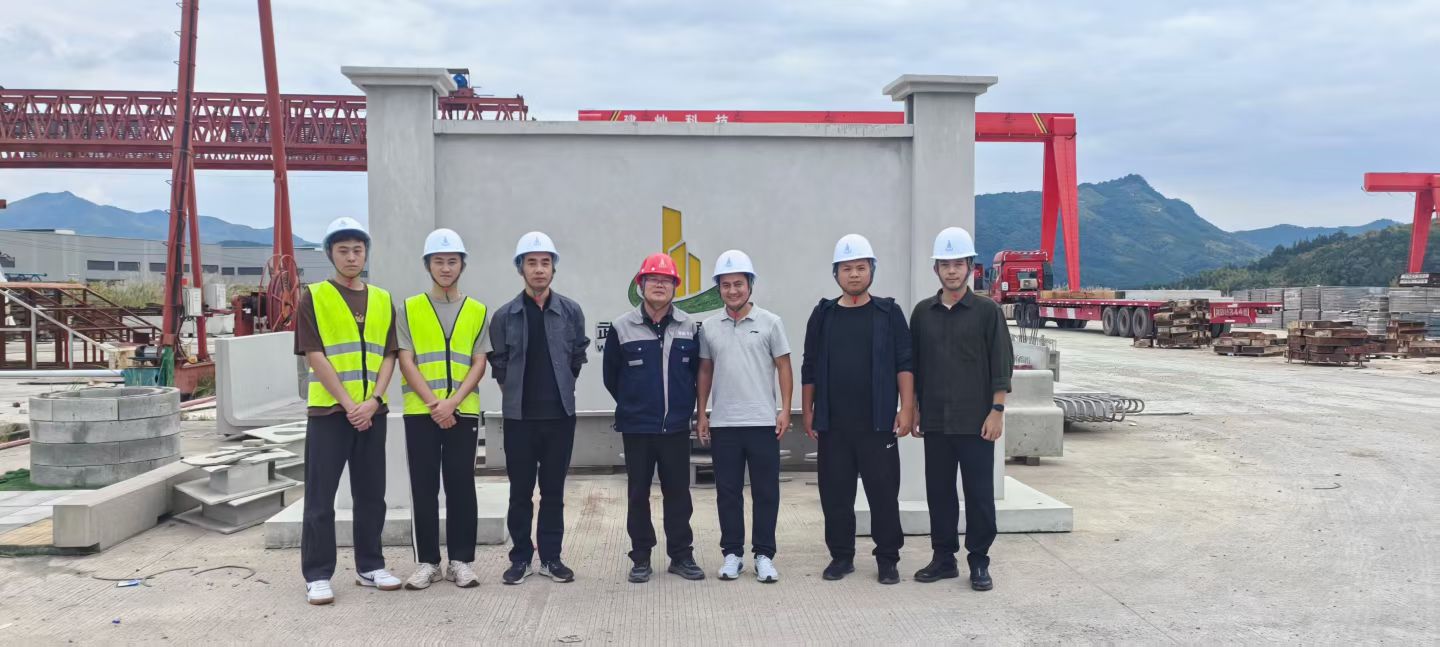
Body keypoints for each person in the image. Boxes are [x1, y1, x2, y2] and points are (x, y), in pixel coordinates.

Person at [295, 217, 401, 605]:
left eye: (358, 250)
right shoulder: (315, 296)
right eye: (343, 250)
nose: (352, 257)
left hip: (372, 412)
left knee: (371, 494)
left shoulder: (382, 299)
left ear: (366, 253)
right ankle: (318, 574)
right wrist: (349, 404)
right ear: (330, 254)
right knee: (320, 497)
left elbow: (389, 354)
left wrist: (374, 401)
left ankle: (370, 566)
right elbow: (314, 354)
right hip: (329, 413)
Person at [801, 233, 915, 585]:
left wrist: (906, 408)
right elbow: (809, 365)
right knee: (835, 494)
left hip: (878, 423)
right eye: (847, 268)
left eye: (860, 267)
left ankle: (888, 559)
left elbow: (904, 363)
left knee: (884, 494)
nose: (854, 274)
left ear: (871, 271)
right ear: (835, 273)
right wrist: (807, 410)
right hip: (834, 423)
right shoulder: (824, 314)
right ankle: (841, 556)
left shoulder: (888, 313)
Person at [909, 226, 1013, 592]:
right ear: (935, 269)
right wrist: (915, 408)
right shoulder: (923, 313)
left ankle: (979, 560)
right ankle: (943, 558)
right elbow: (915, 366)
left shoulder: (987, 312)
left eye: (958, 264)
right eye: (945, 264)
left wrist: (997, 410)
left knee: (979, 495)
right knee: (939, 493)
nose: (951, 271)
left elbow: (1001, 363)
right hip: (936, 420)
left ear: (970, 267)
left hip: (977, 421)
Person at [488, 232, 590, 585]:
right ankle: (520, 558)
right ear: (521, 268)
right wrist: (516, 395)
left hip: (560, 417)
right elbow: (499, 364)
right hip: (519, 419)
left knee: (553, 493)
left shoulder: (570, 311)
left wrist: (562, 387)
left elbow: (577, 355)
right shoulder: (505, 316)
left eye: (545, 262)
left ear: (553, 268)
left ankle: (551, 558)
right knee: (520, 493)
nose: (539, 269)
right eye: (531, 263)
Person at [395, 228, 490, 591]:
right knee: (423, 487)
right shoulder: (409, 309)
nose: (446, 268)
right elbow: (406, 360)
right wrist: (436, 404)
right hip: (421, 412)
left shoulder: (477, 310)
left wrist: (452, 403)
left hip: (463, 412)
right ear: (428, 265)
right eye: (439, 261)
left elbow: (479, 362)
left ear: (462, 265)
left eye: (452, 261)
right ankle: (427, 562)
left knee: (461, 485)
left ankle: (461, 561)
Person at [602, 253, 705, 583]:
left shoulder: (689, 326)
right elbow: (611, 376)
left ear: (675, 287)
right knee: (638, 494)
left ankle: (681, 555)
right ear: (641, 284)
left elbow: (696, 373)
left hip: (675, 427)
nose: (659, 285)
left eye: (666, 281)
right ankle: (641, 556)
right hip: (637, 428)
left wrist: (683, 409)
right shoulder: (622, 327)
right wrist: (635, 405)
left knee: (679, 494)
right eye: (653, 280)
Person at [696, 250, 792, 583]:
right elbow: (705, 371)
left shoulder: (770, 322)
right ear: (718, 289)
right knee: (728, 493)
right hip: (724, 423)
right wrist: (702, 413)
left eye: (738, 283)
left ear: (750, 285)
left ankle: (764, 555)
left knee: (766, 492)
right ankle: (732, 554)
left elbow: (784, 366)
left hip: (763, 423)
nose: (733, 290)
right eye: (726, 285)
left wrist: (785, 409)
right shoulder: (710, 327)